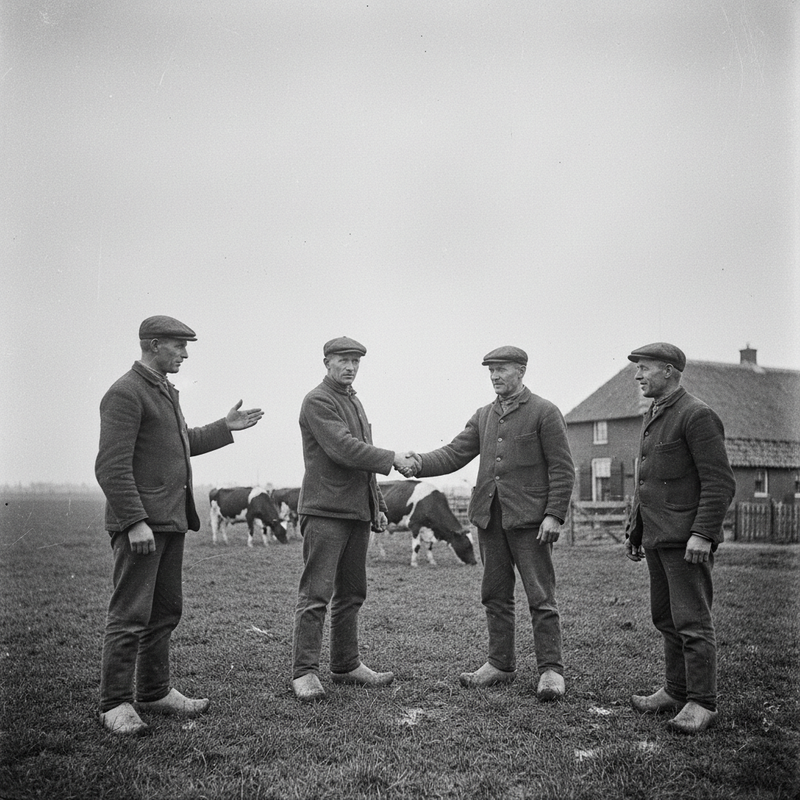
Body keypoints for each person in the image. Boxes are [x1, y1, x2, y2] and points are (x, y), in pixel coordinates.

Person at [95, 315, 264, 735]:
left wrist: (225, 428)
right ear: (153, 345)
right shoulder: (125, 392)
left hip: (169, 522)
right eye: (179, 346)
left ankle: (154, 690)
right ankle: (115, 702)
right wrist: (134, 521)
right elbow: (110, 466)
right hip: (142, 525)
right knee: (130, 612)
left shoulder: (163, 391)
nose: (186, 354)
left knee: (165, 610)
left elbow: (180, 441)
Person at [407, 346, 575, 701]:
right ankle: (500, 664)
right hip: (489, 519)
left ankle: (550, 670)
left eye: (502, 369)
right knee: (495, 594)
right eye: (491, 371)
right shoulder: (484, 415)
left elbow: (562, 468)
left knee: (540, 596)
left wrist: (554, 514)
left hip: (531, 522)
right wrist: (418, 463)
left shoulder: (545, 412)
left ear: (522, 371)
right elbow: (454, 453)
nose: (495, 376)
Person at [291, 336, 418, 702]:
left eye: (355, 362)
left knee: (352, 592)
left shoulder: (354, 401)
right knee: (316, 593)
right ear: (326, 362)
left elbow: (363, 466)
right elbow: (344, 449)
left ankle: (346, 665)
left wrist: (376, 503)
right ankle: (304, 672)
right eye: (343, 360)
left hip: (355, 513)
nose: (349, 367)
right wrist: (393, 456)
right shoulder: (317, 400)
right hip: (325, 512)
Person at [624, 342, 735, 734]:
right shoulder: (654, 415)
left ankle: (702, 703)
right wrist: (636, 531)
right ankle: (675, 691)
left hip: (686, 542)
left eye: (644, 368)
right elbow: (649, 482)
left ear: (669, 371)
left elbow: (719, 482)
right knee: (665, 617)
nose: (638, 376)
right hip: (657, 538)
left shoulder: (696, 414)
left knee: (692, 621)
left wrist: (703, 534)